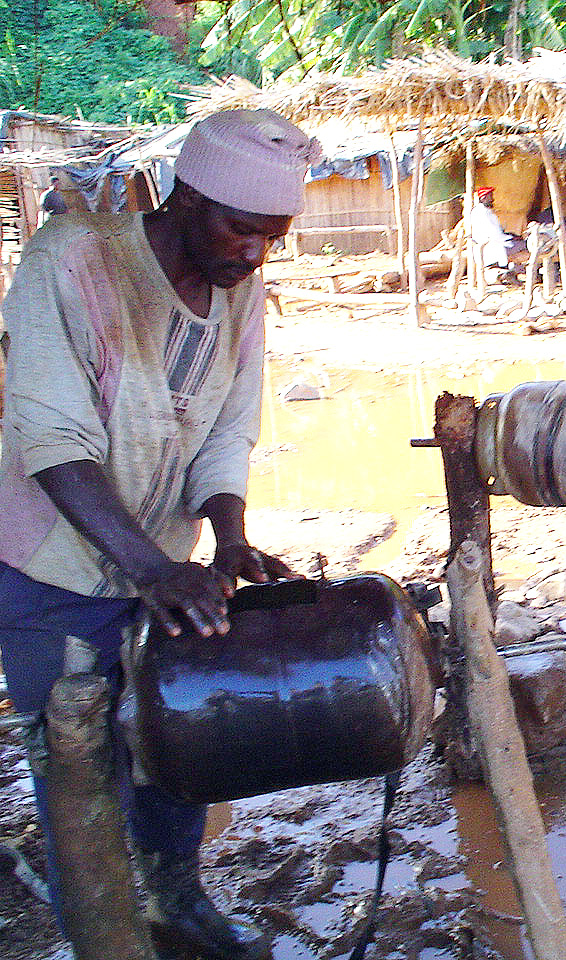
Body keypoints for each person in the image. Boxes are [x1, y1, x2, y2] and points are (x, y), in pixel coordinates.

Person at [0, 108, 321, 960]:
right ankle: (104, 938)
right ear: (185, 197)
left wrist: (228, 536)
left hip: (164, 567)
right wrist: (153, 572)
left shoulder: (238, 288)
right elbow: (53, 442)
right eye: (243, 229)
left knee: (183, 740)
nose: (255, 254)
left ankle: (177, 905)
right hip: (51, 575)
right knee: (80, 777)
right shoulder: (71, 259)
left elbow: (226, 426)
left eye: (273, 236)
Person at [468, 185, 522, 274]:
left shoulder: (483, 211)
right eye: (490, 197)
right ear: (483, 198)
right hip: (491, 245)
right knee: (525, 245)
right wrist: (511, 238)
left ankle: (516, 270)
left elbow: (496, 231)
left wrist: (510, 235)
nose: (492, 199)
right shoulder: (482, 213)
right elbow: (494, 234)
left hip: (494, 242)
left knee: (519, 243)